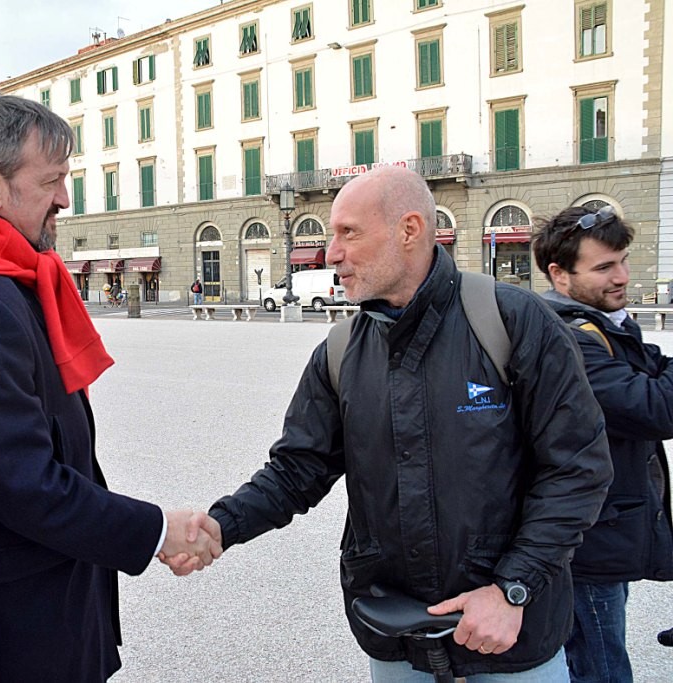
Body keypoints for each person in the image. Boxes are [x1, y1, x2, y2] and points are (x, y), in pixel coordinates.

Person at [178, 166, 613, 681]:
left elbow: (577, 468)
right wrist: (222, 525)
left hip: (511, 636)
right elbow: (297, 469)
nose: (331, 253)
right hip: (396, 634)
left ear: (409, 230)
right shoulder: (340, 351)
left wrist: (512, 589)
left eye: (349, 233)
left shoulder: (512, 321)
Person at [0, 92, 221, 682]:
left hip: (31, 594)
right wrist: (157, 530)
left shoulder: (1, 274)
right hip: (6, 620)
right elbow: (24, 483)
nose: (64, 198)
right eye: (52, 180)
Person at [531, 205, 673, 682]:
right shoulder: (569, 338)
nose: (622, 277)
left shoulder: (602, 322)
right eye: (605, 267)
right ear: (560, 274)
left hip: (606, 526)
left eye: (623, 261)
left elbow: (654, 370)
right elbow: (656, 406)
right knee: (603, 668)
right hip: (588, 539)